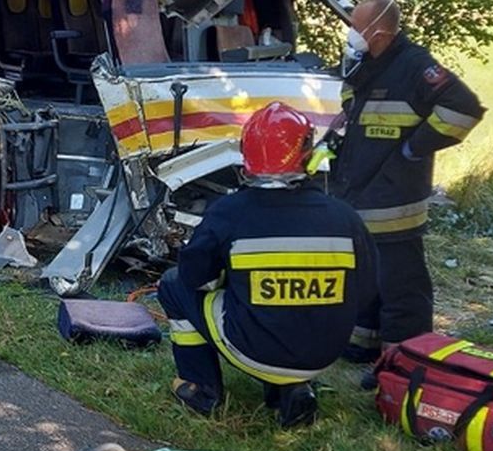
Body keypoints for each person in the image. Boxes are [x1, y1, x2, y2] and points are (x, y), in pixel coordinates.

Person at [159, 102, 379, 427]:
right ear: (307, 153)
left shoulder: (230, 212)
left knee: (173, 285)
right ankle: (291, 389)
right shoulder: (344, 216)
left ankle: (202, 388)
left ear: (247, 154)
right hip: (324, 353)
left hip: (257, 351)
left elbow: (194, 278)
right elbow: (367, 293)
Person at [329, 0, 485, 362]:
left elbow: (464, 109)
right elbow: (353, 103)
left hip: (396, 198)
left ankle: (405, 359)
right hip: (362, 189)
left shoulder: (415, 67)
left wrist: (414, 149)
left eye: (356, 27)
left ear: (379, 33)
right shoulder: (366, 64)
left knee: (402, 284)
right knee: (367, 274)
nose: (350, 34)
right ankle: (364, 343)